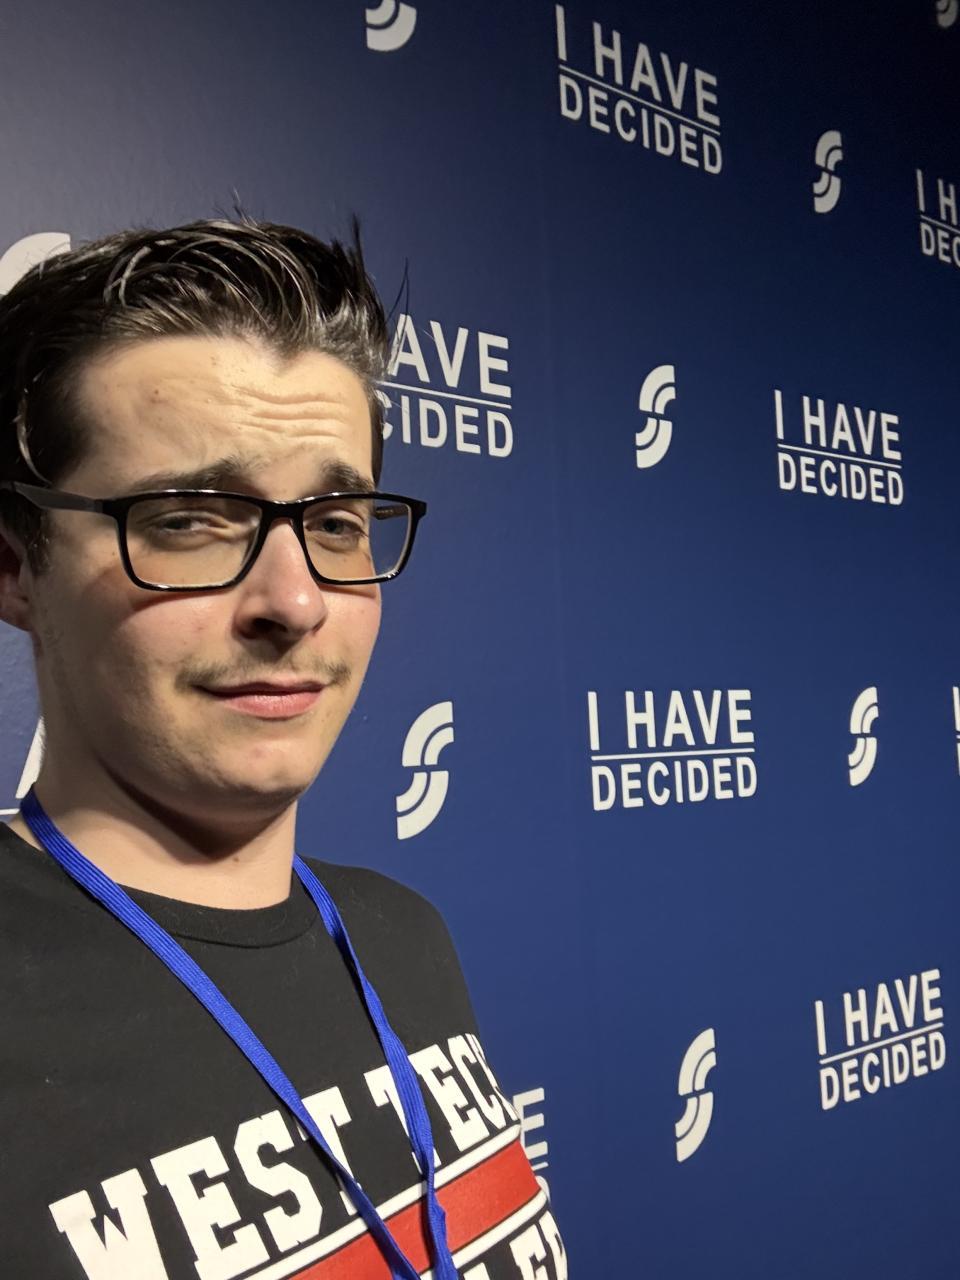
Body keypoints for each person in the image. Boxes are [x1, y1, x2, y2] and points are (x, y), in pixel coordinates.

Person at [0, 219, 566, 1279]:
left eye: (338, 523)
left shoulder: (400, 934)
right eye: (189, 519)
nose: (296, 602)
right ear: (15, 564)